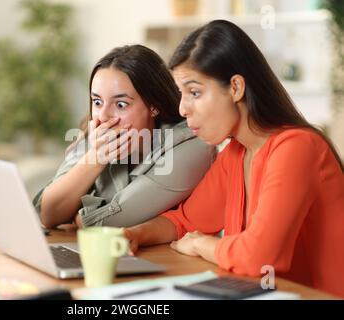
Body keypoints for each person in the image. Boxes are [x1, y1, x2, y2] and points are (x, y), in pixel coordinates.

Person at [124, 20, 344, 297]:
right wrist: (134, 234)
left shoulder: (297, 148)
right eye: (182, 94)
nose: (182, 108)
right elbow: (185, 221)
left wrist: (201, 245)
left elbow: (258, 257)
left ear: (236, 88)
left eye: (195, 92)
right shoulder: (236, 154)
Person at [33, 45, 215, 229]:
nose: (103, 116)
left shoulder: (192, 146)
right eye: (97, 102)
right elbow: (47, 214)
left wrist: (74, 213)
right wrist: (95, 158)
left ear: (153, 106)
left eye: (120, 104)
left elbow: (100, 222)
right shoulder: (97, 133)